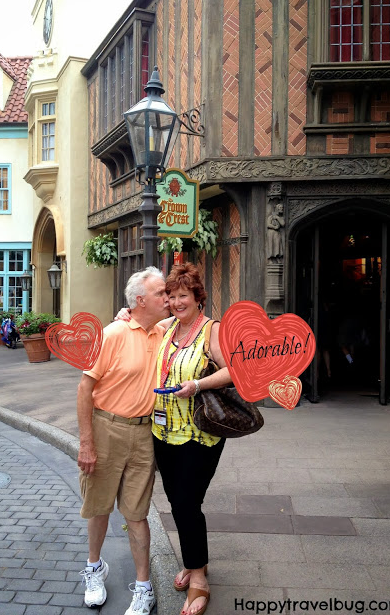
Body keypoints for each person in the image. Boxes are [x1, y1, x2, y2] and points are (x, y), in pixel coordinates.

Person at [117, 263, 232, 615]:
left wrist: (197, 384)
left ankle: (198, 578)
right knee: (181, 503)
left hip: (200, 434)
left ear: (198, 297)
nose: (177, 301)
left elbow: (231, 372)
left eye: (184, 295)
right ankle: (195, 560)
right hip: (163, 433)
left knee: (185, 503)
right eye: (172, 296)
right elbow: (139, 318)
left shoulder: (210, 329)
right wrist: (125, 312)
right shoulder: (167, 328)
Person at [77, 266, 169, 613]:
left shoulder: (165, 330)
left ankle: (143, 586)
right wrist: (86, 443)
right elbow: (84, 388)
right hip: (106, 428)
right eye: (161, 293)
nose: (168, 297)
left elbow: (196, 318)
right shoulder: (113, 333)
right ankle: (94, 567)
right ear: (141, 301)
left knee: (136, 513)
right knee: (99, 506)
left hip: (146, 434)